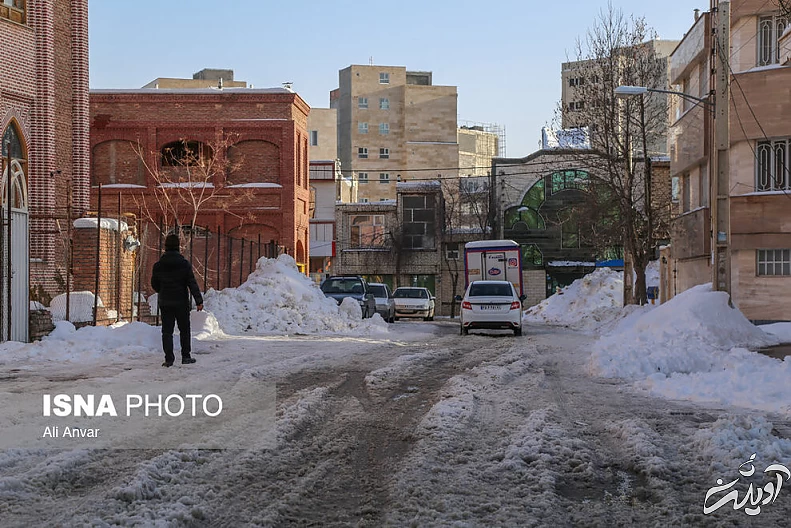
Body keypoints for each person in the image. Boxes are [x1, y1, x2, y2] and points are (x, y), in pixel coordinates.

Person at [151, 234, 204, 367]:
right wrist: (199, 300)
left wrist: (162, 290)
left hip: (165, 302)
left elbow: (154, 283)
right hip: (181, 302)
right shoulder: (184, 264)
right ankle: (186, 356)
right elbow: (192, 283)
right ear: (178, 247)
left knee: (167, 331)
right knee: (184, 329)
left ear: (165, 247)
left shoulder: (158, 265)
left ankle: (169, 359)